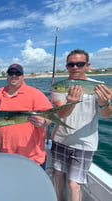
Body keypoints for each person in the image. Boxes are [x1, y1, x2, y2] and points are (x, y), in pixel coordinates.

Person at [50, 49, 112, 201]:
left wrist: (104, 103)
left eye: (79, 64)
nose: (75, 67)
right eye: (71, 64)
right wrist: (71, 101)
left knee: (74, 184)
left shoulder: (99, 86)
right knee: (57, 174)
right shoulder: (59, 87)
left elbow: (106, 114)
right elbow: (61, 114)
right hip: (61, 139)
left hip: (85, 143)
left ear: (87, 65)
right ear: (67, 66)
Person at [0, 63, 52, 169]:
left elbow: (50, 116)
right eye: (11, 73)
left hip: (31, 158)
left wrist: (43, 122)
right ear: (7, 76)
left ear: (23, 76)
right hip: (3, 156)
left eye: (18, 73)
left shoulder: (35, 94)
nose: (14, 76)